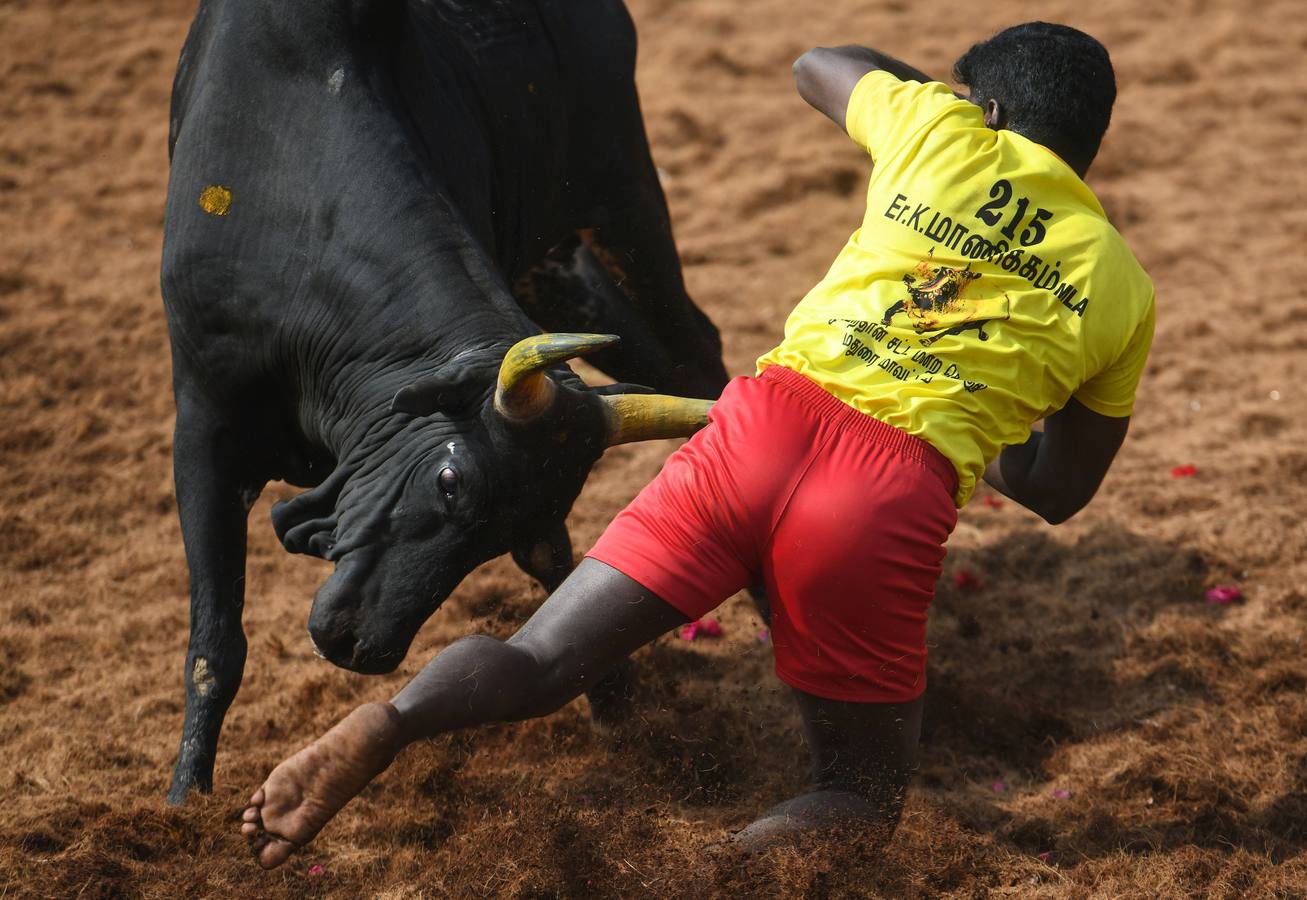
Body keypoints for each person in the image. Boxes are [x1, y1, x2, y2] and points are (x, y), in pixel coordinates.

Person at [240, 22, 1155, 868]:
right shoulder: (1122, 286)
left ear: (984, 109)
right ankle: (709, 875)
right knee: (858, 795)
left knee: (539, 664)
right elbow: (1058, 490)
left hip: (758, 426)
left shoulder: (936, 133)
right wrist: (980, 417)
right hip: (882, 498)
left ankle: (395, 722)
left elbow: (819, 63)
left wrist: (943, 108)